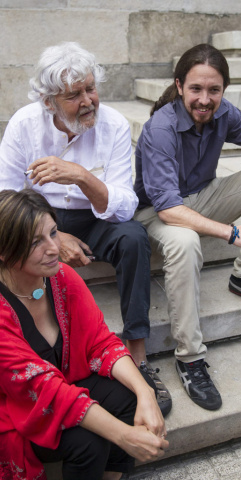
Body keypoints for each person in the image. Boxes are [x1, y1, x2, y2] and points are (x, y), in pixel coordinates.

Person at [0, 41, 171, 415]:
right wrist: (54, 236)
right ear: (49, 101)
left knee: (133, 238)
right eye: (74, 95)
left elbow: (124, 204)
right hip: (39, 221)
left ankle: (138, 356)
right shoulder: (24, 125)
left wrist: (79, 176)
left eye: (91, 88)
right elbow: (8, 200)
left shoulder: (112, 125)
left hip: (99, 218)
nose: (88, 100)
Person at [134, 43, 241, 411]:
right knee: (186, 242)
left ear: (223, 90)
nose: (205, 99)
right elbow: (169, 209)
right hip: (157, 212)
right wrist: (231, 233)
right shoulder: (160, 128)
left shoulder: (224, 112)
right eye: (196, 89)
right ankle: (190, 357)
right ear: (179, 86)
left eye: (214, 90)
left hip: (202, 194)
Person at [0, 188, 169, 480]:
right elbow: (43, 389)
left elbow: (101, 342)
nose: (54, 248)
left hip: (63, 384)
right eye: (35, 242)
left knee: (130, 394)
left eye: (54, 232)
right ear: (4, 252)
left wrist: (146, 392)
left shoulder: (62, 278)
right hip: (20, 407)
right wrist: (124, 436)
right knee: (90, 442)